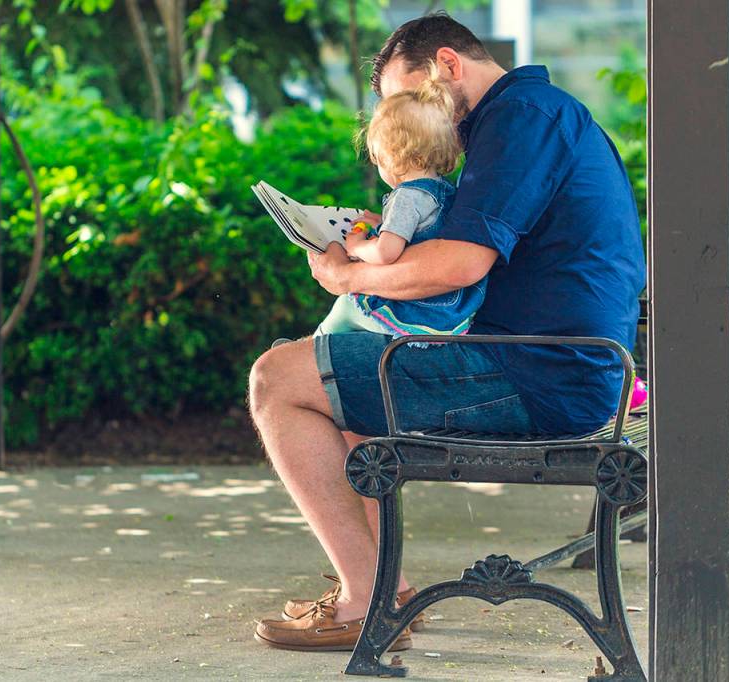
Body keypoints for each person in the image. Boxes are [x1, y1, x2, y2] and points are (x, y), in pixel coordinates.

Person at [250, 12, 646, 652]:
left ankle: (363, 600)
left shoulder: (520, 119)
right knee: (338, 379)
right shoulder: (529, 116)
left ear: (447, 65)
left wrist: (348, 277)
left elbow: (460, 265)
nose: (408, 118)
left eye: (408, 98)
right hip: (552, 364)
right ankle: (384, 590)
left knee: (277, 378)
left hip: (539, 375)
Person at [316, 66, 485, 338]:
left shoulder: (406, 197)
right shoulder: (443, 190)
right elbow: (417, 232)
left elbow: (386, 253)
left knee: (346, 305)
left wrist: (357, 246)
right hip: (451, 310)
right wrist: (384, 223)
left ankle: (313, 346)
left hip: (421, 312)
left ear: (391, 155)